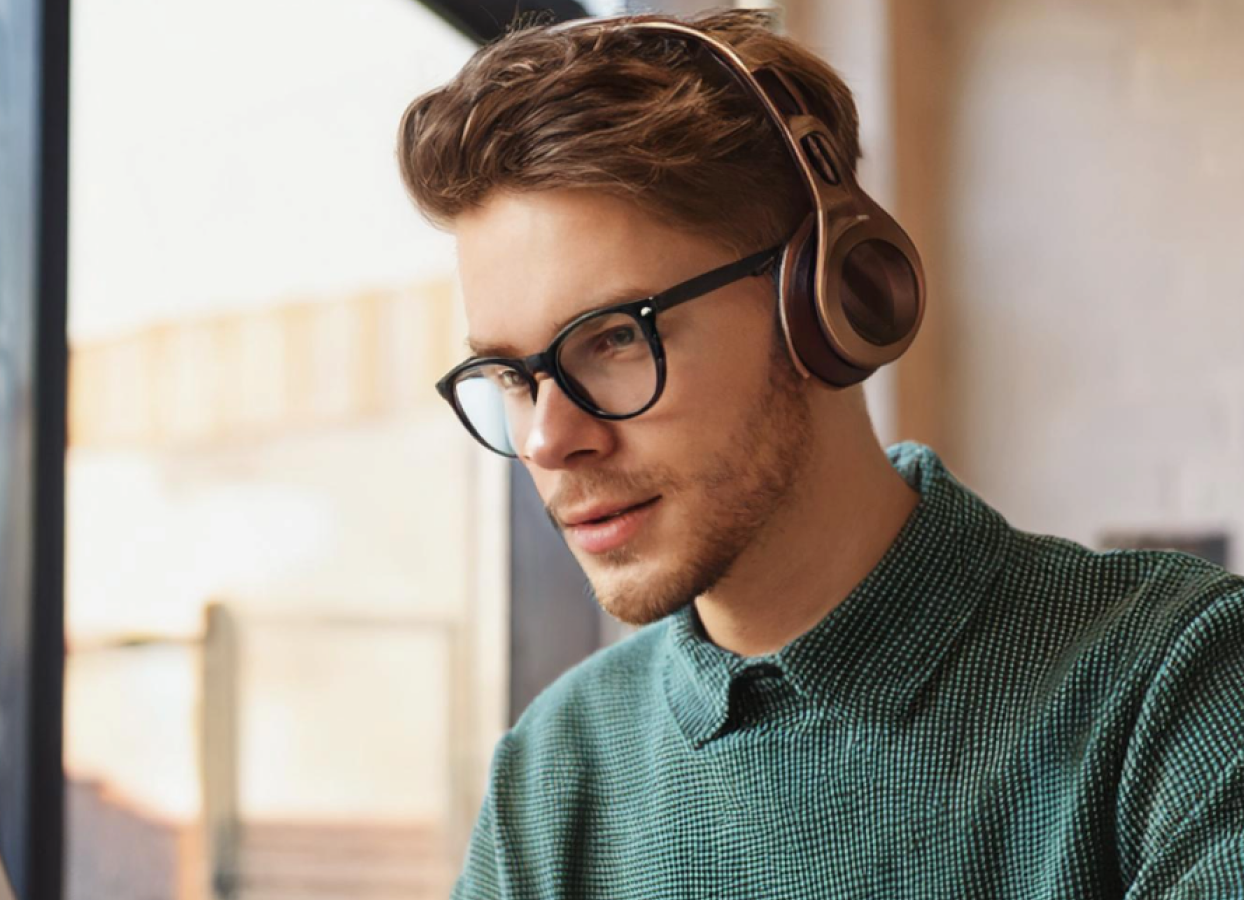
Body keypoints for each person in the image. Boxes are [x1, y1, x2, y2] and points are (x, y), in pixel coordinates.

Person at [395, 9, 1244, 898]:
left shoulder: (1180, 683)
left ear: (831, 299)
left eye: (612, 338)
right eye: (511, 375)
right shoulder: (553, 774)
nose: (547, 439)